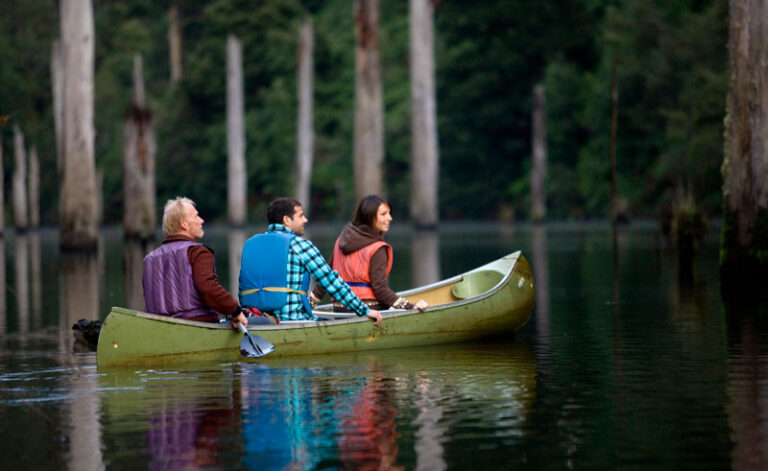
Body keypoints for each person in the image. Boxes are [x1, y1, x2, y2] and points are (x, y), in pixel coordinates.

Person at [238, 197, 383, 325]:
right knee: (330, 324)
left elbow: (242, 289)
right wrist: (364, 310)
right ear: (287, 220)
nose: (305, 220)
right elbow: (331, 282)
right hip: (293, 321)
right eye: (301, 216)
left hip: (255, 318)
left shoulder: (250, 245)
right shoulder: (300, 245)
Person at [142, 197, 249, 330]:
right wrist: (235, 311)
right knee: (257, 321)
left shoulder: (149, 259)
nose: (201, 221)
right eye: (196, 216)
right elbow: (208, 289)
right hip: (198, 327)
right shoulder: (197, 251)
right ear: (184, 225)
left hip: (159, 330)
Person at [311, 194, 428, 312]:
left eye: (389, 213)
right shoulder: (377, 248)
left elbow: (326, 278)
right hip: (368, 310)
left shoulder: (340, 241)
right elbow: (380, 290)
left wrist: (308, 305)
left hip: (340, 309)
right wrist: (411, 306)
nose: (390, 218)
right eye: (383, 214)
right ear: (370, 217)